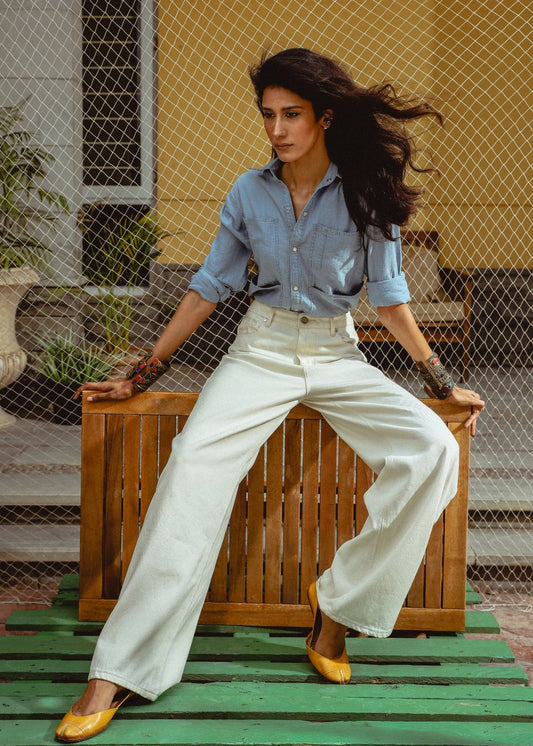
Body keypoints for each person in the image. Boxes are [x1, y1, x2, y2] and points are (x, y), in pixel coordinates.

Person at [56, 47, 484, 743]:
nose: (277, 129)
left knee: (433, 450)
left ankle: (337, 607)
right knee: (190, 466)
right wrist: (141, 372)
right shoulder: (248, 192)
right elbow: (208, 288)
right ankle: (118, 670)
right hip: (259, 351)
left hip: (336, 352)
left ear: (324, 117)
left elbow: (388, 298)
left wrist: (440, 382)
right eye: (268, 115)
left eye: (291, 115)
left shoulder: (365, 191)